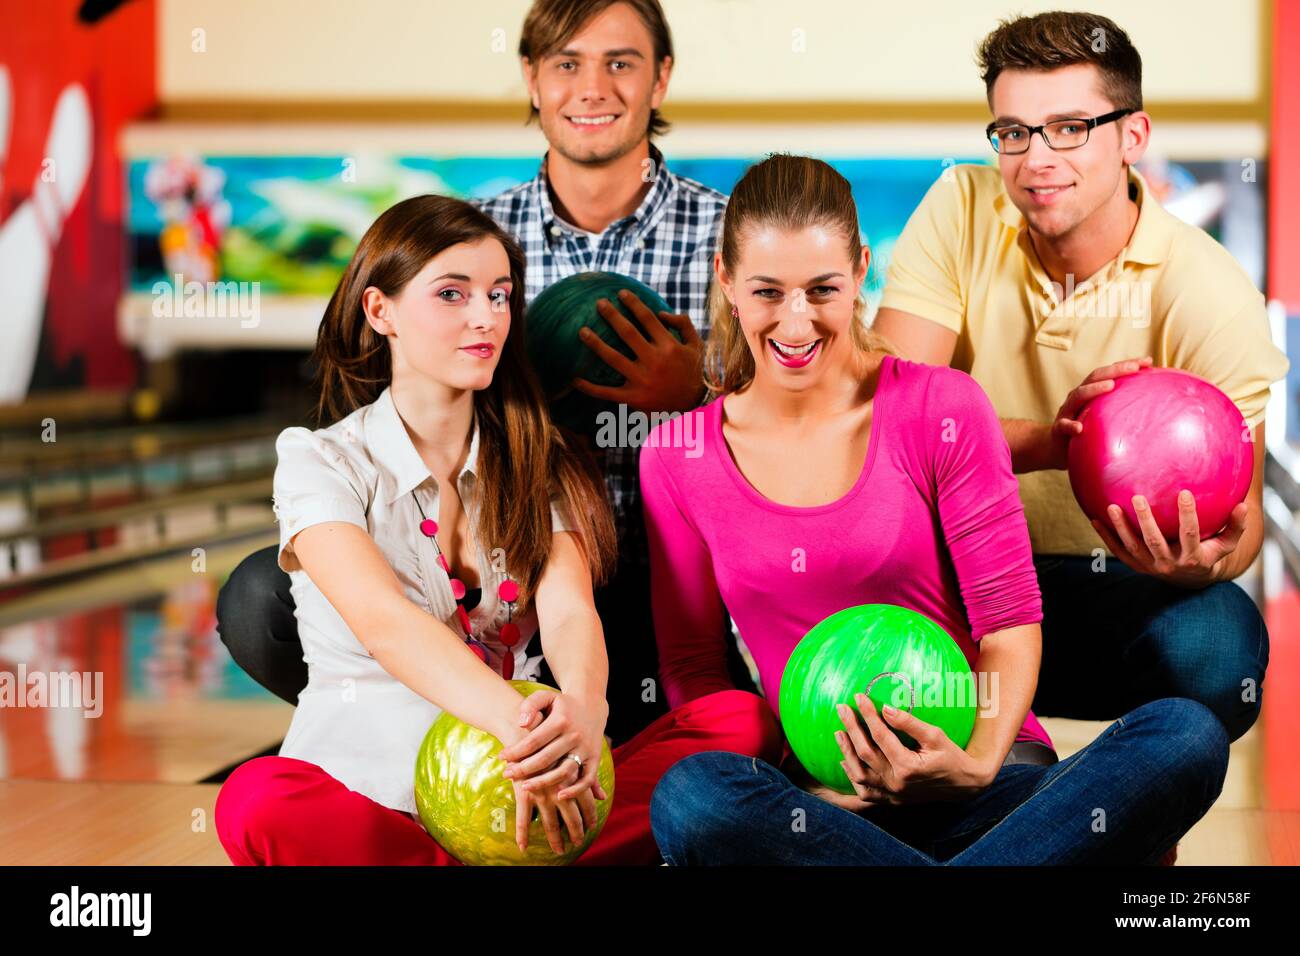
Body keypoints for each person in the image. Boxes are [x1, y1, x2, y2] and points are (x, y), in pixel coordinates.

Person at [643, 154, 1228, 865]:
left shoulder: (939, 408)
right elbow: (696, 668)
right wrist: (817, 786)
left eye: (822, 289)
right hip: (825, 808)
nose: (795, 322)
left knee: (1183, 734)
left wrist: (975, 762)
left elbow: (1009, 622)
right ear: (727, 280)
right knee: (692, 792)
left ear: (862, 271)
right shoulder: (678, 457)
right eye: (768, 291)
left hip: (985, 783)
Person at [215, 0, 748, 744]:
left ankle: (566, 739)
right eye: (567, 63)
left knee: (712, 722)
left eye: (619, 62)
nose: (592, 87)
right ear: (533, 79)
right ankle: (423, 738)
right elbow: (406, 431)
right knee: (260, 597)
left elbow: (816, 423)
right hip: (513, 575)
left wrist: (702, 395)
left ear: (660, 79)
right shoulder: (476, 239)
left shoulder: (734, 243)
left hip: (673, 583)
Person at [215, 195, 781, 866]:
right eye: (452, 294)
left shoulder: (538, 458)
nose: (486, 317)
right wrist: (526, 734)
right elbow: (385, 622)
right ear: (380, 310)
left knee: (737, 722)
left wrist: (583, 714)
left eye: (500, 295)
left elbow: (569, 611)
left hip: (541, 785)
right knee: (254, 799)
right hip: (378, 796)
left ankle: (528, 851)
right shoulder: (320, 461)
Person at [871, 11, 1289, 744]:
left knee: (1222, 650)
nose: (1036, 158)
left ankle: (1128, 804)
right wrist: (1053, 441)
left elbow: (1244, 523)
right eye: (1014, 131)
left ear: (1134, 137)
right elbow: (882, 427)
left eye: (1069, 127)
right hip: (958, 578)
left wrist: (1197, 561)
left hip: (1117, 589)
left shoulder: (1210, 289)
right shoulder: (959, 211)